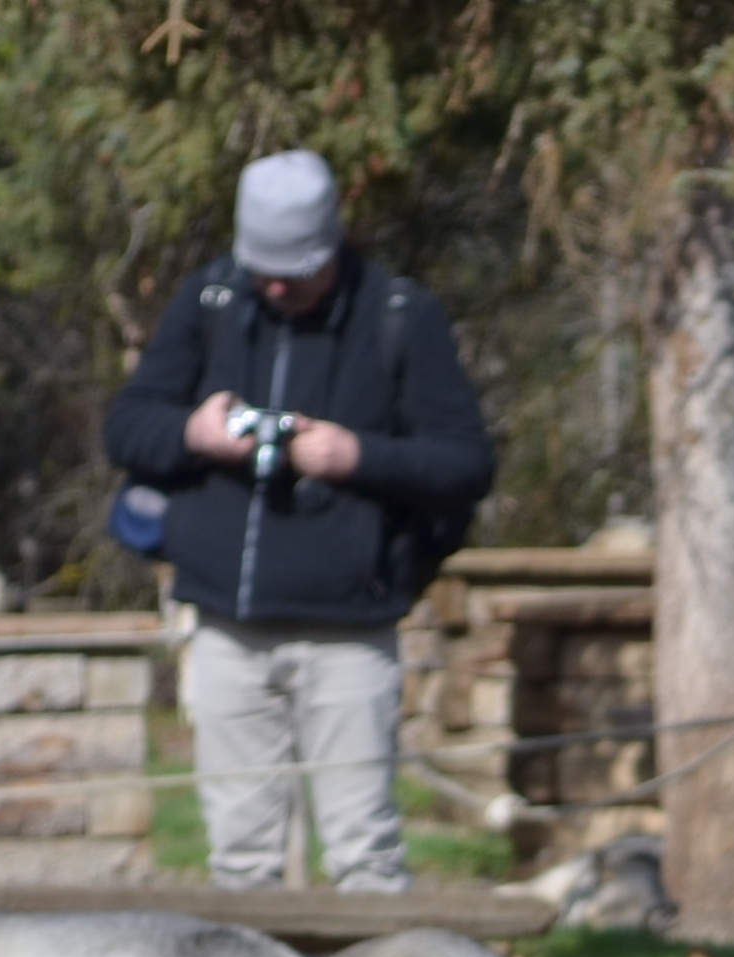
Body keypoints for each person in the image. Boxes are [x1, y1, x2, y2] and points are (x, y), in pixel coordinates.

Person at [104, 152, 495, 891]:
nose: (277, 287)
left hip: (349, 634)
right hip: (227, 628)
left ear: (333, 246)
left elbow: (466, 465)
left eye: (297, 271)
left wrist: (356, 456)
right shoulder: (212, 301)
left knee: (364, 858)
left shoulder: (400, 316)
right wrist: (196, 433)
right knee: (240, 860)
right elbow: (125, 430)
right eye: (263, 270)